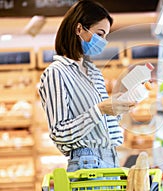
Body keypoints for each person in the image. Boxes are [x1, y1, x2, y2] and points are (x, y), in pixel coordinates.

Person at [38, 0, 136, 173]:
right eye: (100, 34)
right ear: (79, 29)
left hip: (111, 158)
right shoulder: (57, 72)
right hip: (87, 162)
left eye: (105, 36)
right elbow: (59, 133)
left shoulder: (94, 73)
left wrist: (119, 105)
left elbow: (103, 124)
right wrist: (100, 110)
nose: (103, 41)